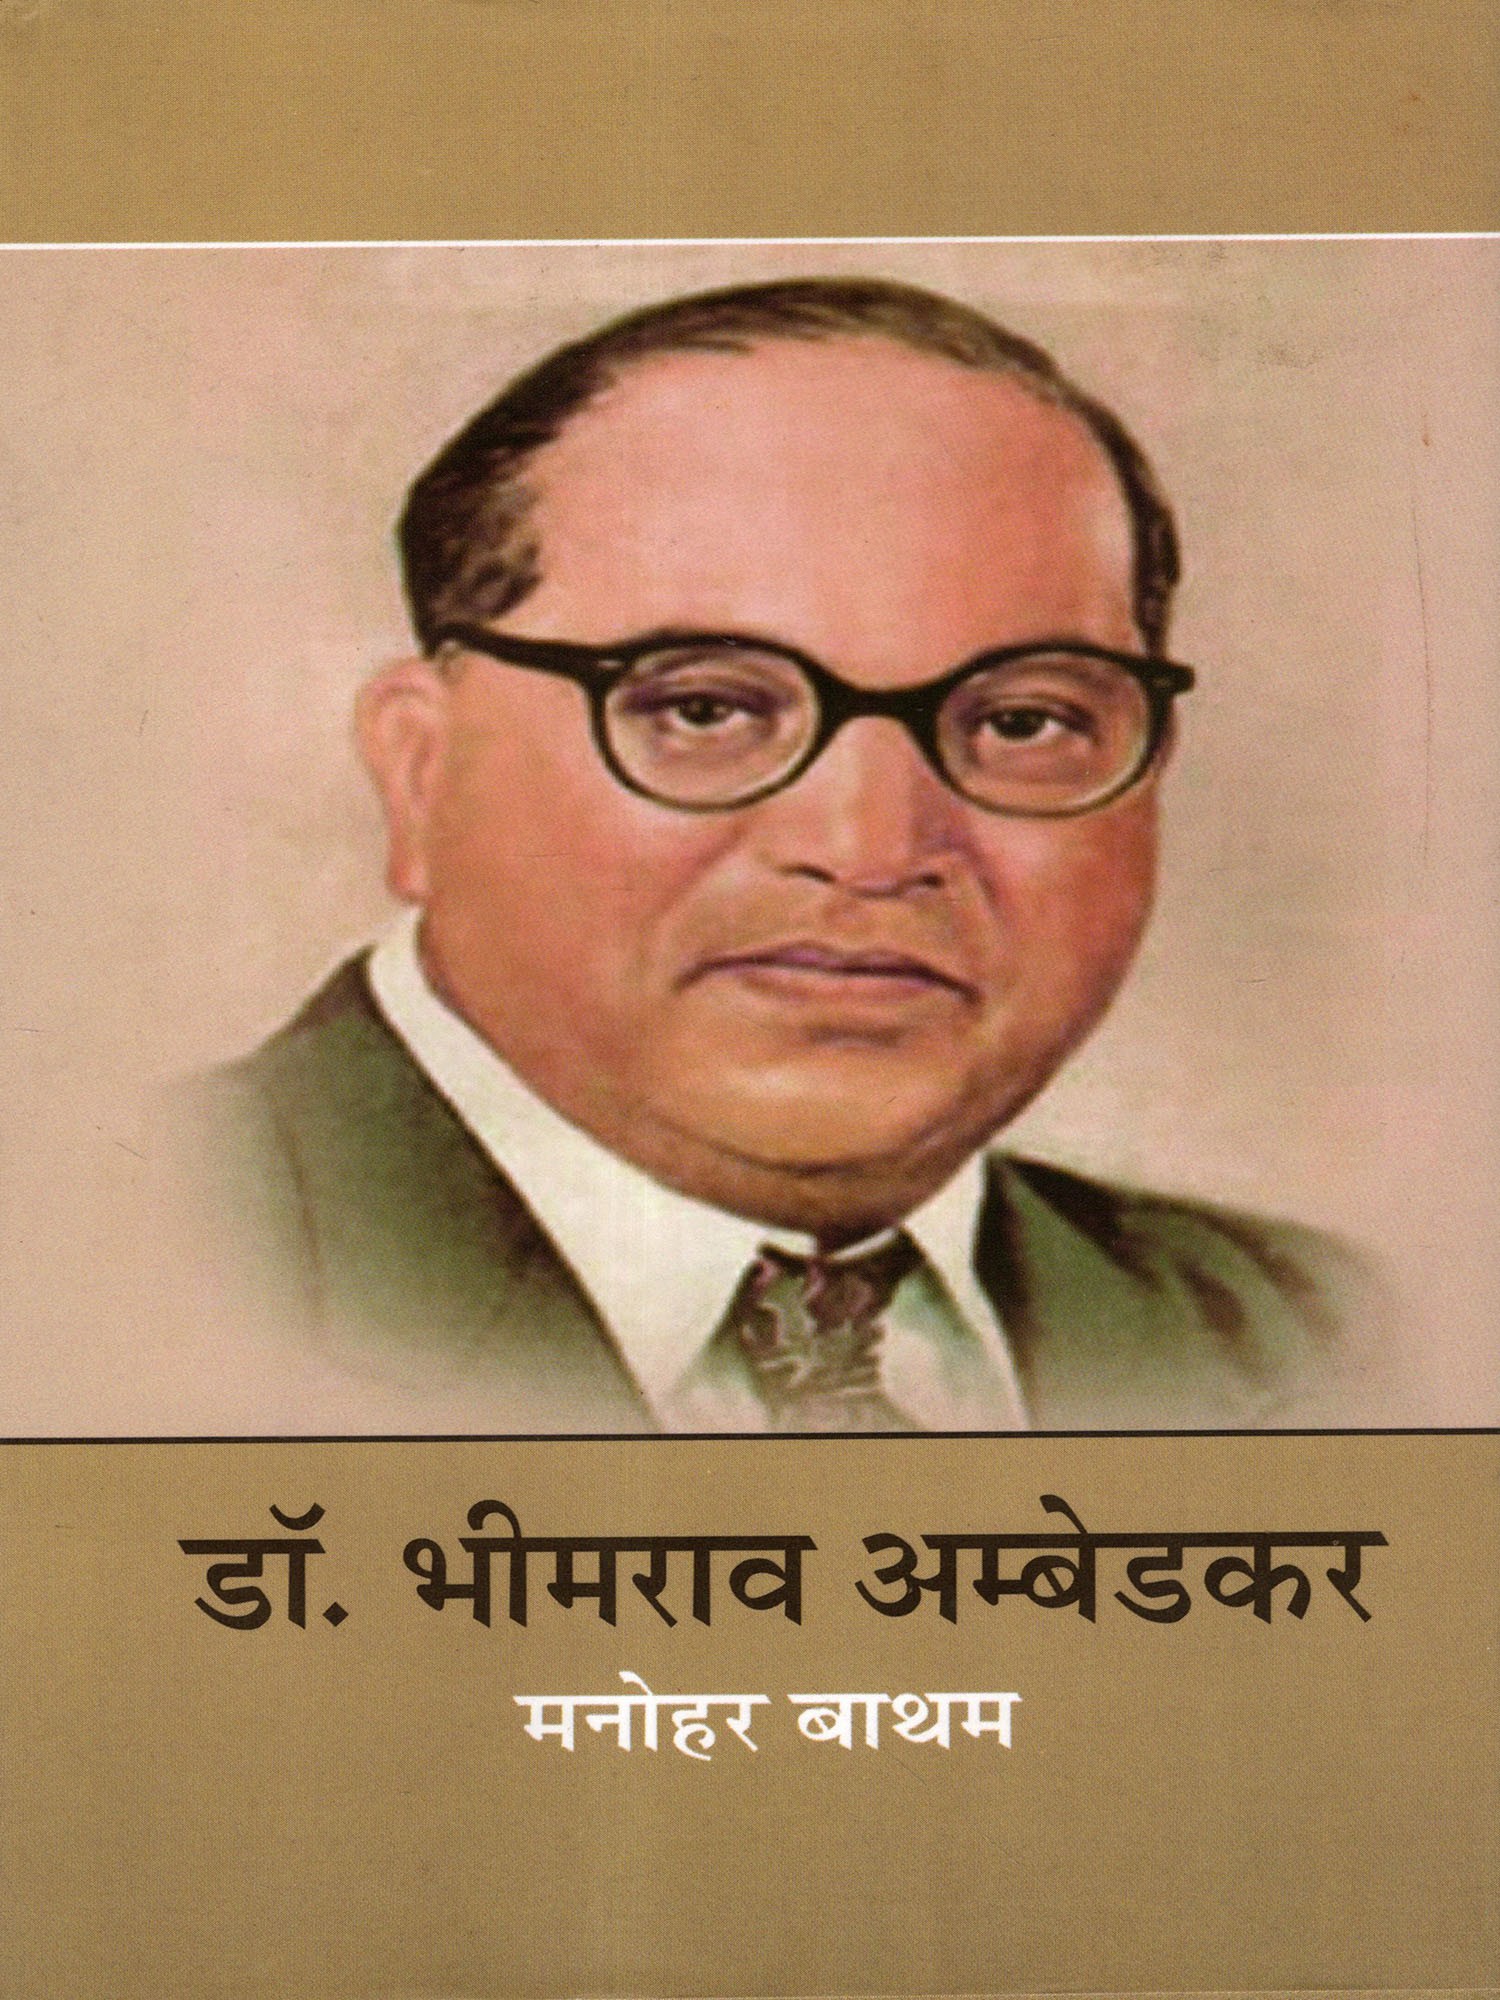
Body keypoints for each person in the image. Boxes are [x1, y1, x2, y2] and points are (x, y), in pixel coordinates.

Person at [188, 276, 1381, 1433]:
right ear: (421, 772)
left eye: (1023, 721)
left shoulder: (1327, 1341)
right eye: (705, 708)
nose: (871, 849)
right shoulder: (138, 1264)